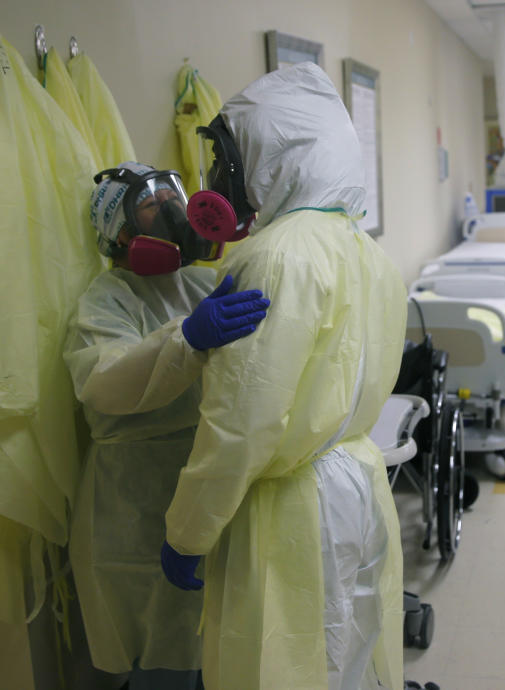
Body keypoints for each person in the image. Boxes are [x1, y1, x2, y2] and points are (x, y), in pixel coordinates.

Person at [160, 63, 408, 690]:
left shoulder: (277, 255)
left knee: (280, 668)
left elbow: (241, 422)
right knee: (345, 659)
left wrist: (188, 532)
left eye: (229, 158)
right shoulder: (370, 253)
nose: (220, 180)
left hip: (294, 510)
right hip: (358, 484)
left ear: (275, 153)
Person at [64, 162, 270, 689]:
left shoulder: (203, 283)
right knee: (157, 658)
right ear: (123, 232)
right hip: (135, 506)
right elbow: (103, 381)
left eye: (173, 194)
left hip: (203, 485)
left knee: (214, 649)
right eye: (152, 204)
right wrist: (186, 341)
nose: (176, 210)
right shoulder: (108, 299)